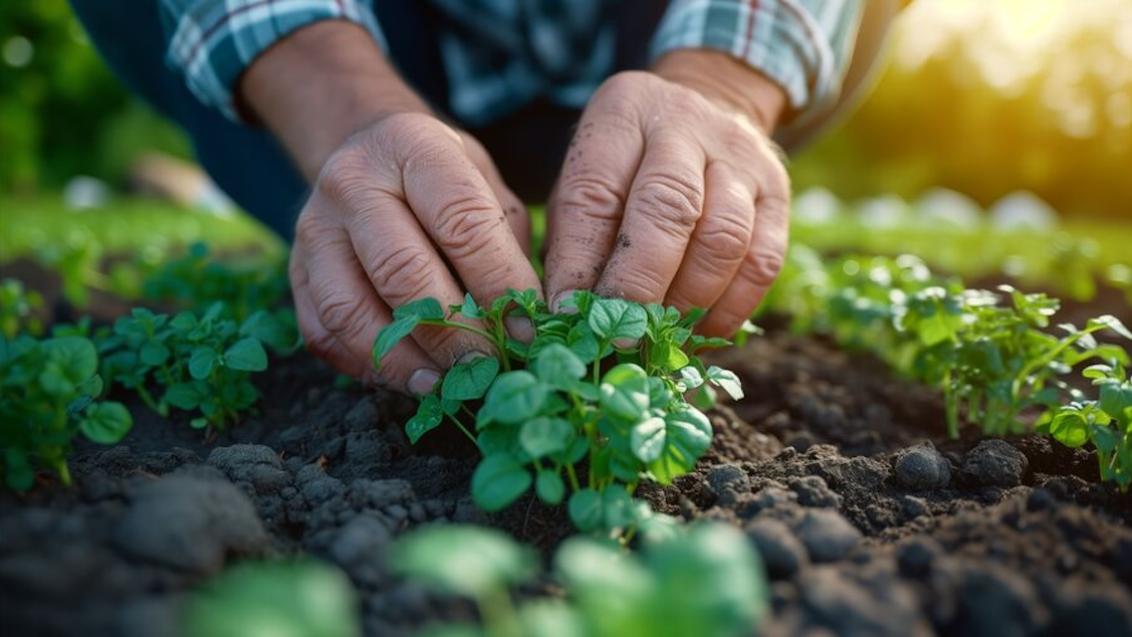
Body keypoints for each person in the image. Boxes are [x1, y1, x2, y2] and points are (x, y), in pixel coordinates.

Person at [70, 0, 899, 395]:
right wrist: (336, 102)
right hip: (371, 43)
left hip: (662, 33)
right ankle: (312, 180)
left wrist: (723, 83)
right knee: (364, 211)